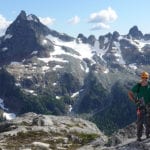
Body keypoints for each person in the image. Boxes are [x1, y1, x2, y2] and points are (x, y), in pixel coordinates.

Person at [128, 71, 150, 141]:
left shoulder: (149, 84)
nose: (144, 79)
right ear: (141, 78)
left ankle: (148, 135)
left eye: (146, 77)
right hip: (140, 106)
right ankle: (139, 137)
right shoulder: (138, 86)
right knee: (140, 121)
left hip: (148, 105)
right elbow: (130, 93)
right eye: (143, 77)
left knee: (148, 120)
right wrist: (135, 101)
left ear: (147, 78)